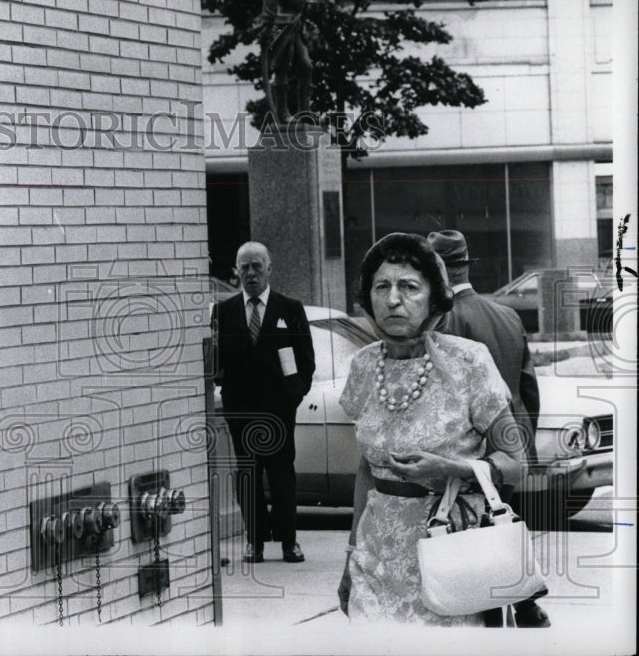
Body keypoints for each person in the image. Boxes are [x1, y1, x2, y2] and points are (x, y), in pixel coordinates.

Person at [336, 233, 526, 624]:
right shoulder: (362, 367)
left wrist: (449, 469)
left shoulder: (469, 362)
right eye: (382, 287)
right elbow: (366, 470)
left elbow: (515, 462)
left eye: (409, 287)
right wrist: (351, 555)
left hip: (451, 558)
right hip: (374, 561)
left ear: (434, 297)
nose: (393, 300)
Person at [428, 229, 550, 628]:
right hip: (509, 448)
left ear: (439, 270)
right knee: (498, 529)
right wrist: (520, 446)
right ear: (466, 265)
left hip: (470, 456)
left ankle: (508, 616)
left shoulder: (444, 322)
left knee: (472, 551)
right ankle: (524, 602)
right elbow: (528, 390)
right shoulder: (507, 314)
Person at [213, 242, 315, 563]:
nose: (252, 273)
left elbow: (306, 362)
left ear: (269, 269)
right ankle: (254, 544)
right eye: (245, 268)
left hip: (279, 413)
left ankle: (289, 543)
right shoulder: (224, 312)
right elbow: (217, 364)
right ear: (237, 272)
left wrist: (293, 396)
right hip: (241, 412)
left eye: (258, 266)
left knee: (282, 475)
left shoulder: (290, 309)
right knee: (248, 477)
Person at [259, 0, 314, 123]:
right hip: (283, 25)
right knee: (283, 68)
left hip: (296, 23)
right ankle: (282, 113)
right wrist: (267, 24)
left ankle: (304, 111)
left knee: (306, 66)